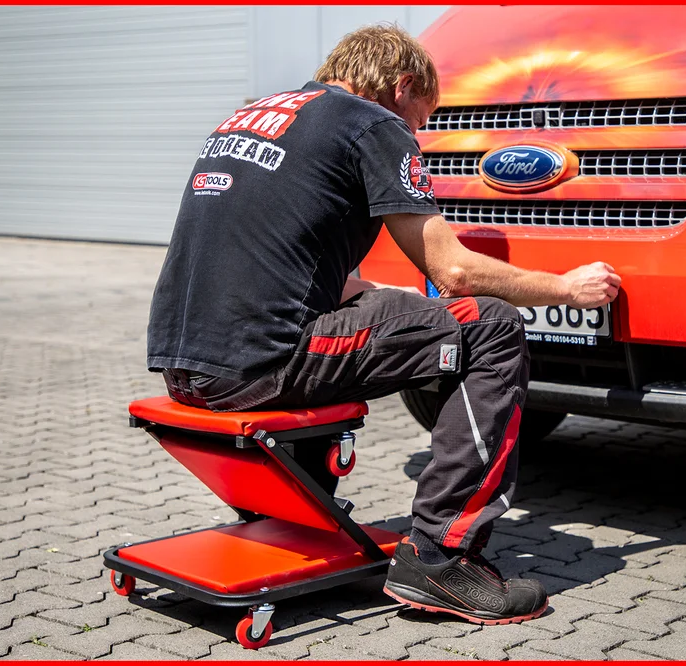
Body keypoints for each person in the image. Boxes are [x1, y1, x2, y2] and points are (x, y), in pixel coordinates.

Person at [146, 24, 620, 625]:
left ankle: (291, 514)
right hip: (261, 366)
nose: (416, 134)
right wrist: (566, 288)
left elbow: (280, 260)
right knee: (491, 327)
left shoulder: (255, 117)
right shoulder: (372, 123)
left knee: (390, 317)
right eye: (422, 119)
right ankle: (441, 558)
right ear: (402, 87)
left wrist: (392, 302)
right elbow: (454, 273)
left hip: (186, 367)